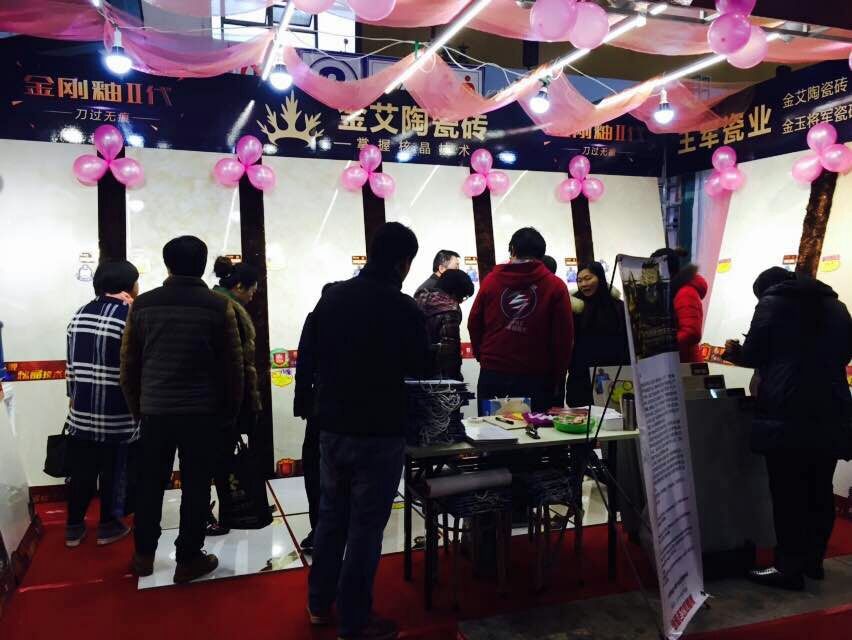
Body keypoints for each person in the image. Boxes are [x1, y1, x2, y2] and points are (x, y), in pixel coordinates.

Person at [308, 222, 428, 640]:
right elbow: (420, 366)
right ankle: (355, 620)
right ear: (403, 263)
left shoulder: (333, 297)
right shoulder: (403, 308)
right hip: (380, 429)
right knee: (366, 525)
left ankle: (319, 603)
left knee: (331, 517)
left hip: (333, 426)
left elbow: (312, 353)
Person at [122, 236, 244, 585]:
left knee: (150, 484)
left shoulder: (143, 304)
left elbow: (129, 363)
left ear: (168, 264)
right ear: (203, 265)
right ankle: (188, 558)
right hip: (202, 412)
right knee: (196, 485)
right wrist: (230, 412)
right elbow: (232, 366)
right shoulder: (217, 306)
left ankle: (144, 556)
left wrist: (138, 408)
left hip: (155, 410)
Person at [725, 267, 852, 591]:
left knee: (788, 492)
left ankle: (788, 568)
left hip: (787, 407)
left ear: (765, 290)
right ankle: (813, 562)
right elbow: (845, 352)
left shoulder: (772, 303)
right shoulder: (836, 305)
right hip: (832, 406)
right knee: (819, 489)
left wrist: (738, 353)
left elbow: (754, 353)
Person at [64, 260, 140, 548]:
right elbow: (135, 366)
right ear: (129, 285)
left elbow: (71, 365)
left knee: (81, 471)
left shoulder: (80, 314)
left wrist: (73, 398)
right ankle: (108, 526)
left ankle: (73, 528)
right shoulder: (128, 315)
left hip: (82, 412)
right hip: (116, 413)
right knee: (114, 472)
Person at [468, 227, 574, 413]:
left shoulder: (491, 281)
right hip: (537, 378)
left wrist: (484, 357)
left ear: (512, 249)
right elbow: (563, 338)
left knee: (492, 429)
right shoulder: (555, 286)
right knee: (536, 429)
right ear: (541, 254)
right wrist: (559, 375)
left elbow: (474, 323)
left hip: (494, 375)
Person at [207, 256, 262, 536]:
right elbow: (235, 364)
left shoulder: (216, 301)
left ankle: (226, 508)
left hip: (210, 399)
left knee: (214, 457)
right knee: (218, 458)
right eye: (252, 289)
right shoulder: (228, 309)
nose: (253, 295)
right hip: (222, 400)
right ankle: (228, 510)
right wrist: (244, 404)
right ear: (239, 286)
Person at [293, 282, 338, 554]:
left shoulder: (316, 318)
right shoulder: (358, 319)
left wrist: (303, 403)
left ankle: (320, 528)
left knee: (316, 467)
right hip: (351, 408)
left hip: (321, 407)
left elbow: (305, 364)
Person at [565, 262, 629, 408]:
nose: (583, 284)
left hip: (613, 374)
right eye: (579, 280)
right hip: (581, 376)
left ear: (600, 277)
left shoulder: (617, 307)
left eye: (588, 278)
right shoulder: (573, 308)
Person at [417, 269, 475, 381]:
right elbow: (450, 352)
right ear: (454, 292)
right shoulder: (450, 310)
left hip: (411, 371)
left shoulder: (418, 298)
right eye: (463, 297)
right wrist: (456, 378)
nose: (461, 301)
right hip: (437, 377)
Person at [651, 248, 708, 363]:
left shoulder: (685, 293)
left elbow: (691, 333)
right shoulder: (673, 291)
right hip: (679, 362)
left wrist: (661, 344)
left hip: (686, 364)